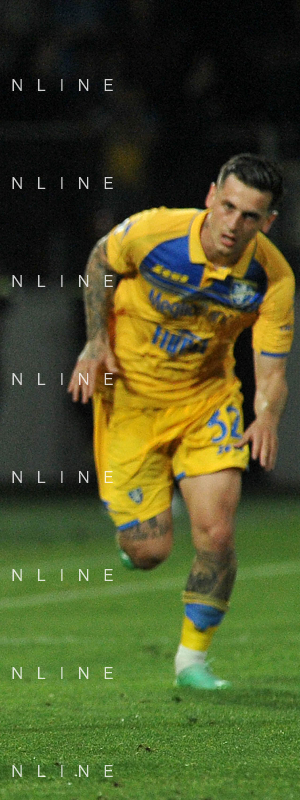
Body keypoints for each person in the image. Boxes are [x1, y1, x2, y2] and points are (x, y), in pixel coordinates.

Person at [69, 153, 293, 690]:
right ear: (211, 196)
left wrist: (265, 415)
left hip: (206, 402)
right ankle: (136, 534)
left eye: (250, 216)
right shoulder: (155, 232)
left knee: (217, 531)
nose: (233, 224)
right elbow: (100, 259)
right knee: (149, 552)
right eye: (228, 207)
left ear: (267, 222)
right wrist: (95, 342)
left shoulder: (272, 277)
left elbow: (271, 369)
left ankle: (192, 659)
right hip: (129, 398)